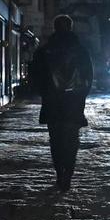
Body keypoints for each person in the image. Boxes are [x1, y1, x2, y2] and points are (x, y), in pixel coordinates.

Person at [29, 14, 93, 191]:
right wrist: (81, 96)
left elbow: (35, 76)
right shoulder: (81, 51)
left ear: (55, 28)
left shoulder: (44, 51)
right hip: (73, 103)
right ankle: (68, 175)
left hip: (52, 103)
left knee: (56, 140)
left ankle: (59, 174)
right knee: (72, 140)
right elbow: (88, 77)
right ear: (71, 28)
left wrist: (44, 94)